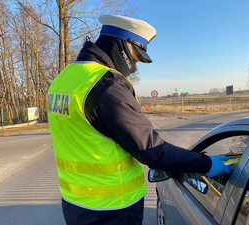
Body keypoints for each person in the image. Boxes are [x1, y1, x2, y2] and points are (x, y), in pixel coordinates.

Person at [46, 14, 231, 225]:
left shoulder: (62, 80)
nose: (135, 67)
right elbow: (151, 149)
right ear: (122, 44)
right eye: (136, 58)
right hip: (112, 208)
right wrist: (206, 164)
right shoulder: (107, 86)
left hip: (75, 204)